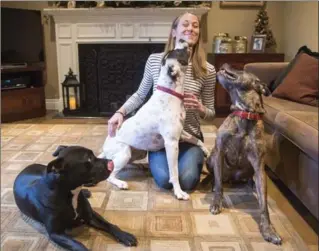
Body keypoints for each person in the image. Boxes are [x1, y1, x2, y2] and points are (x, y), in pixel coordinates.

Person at [107, 12, 216, 191]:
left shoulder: (208, 70)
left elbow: (211, 114)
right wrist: (120, 112)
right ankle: (156, 157)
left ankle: (191, 158)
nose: (191, 28)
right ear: (174, 32)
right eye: (185, 24)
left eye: (195, 25)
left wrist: (201, 108)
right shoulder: (155, 60)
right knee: (165, 181)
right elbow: (140, 94)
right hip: (158, 138)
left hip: (189, 137)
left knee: (188, 180)